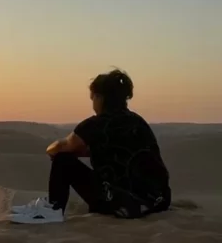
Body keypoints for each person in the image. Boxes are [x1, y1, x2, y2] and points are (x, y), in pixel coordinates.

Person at [11, 69, 171, 224]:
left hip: (123, 203)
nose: (93, 103)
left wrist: (53, 150)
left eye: (93, 98)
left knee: (63, 160)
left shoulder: (95, 124)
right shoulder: (138, 122)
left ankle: (53, 209)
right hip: (157, 202)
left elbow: (60, 147)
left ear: (100, 98)